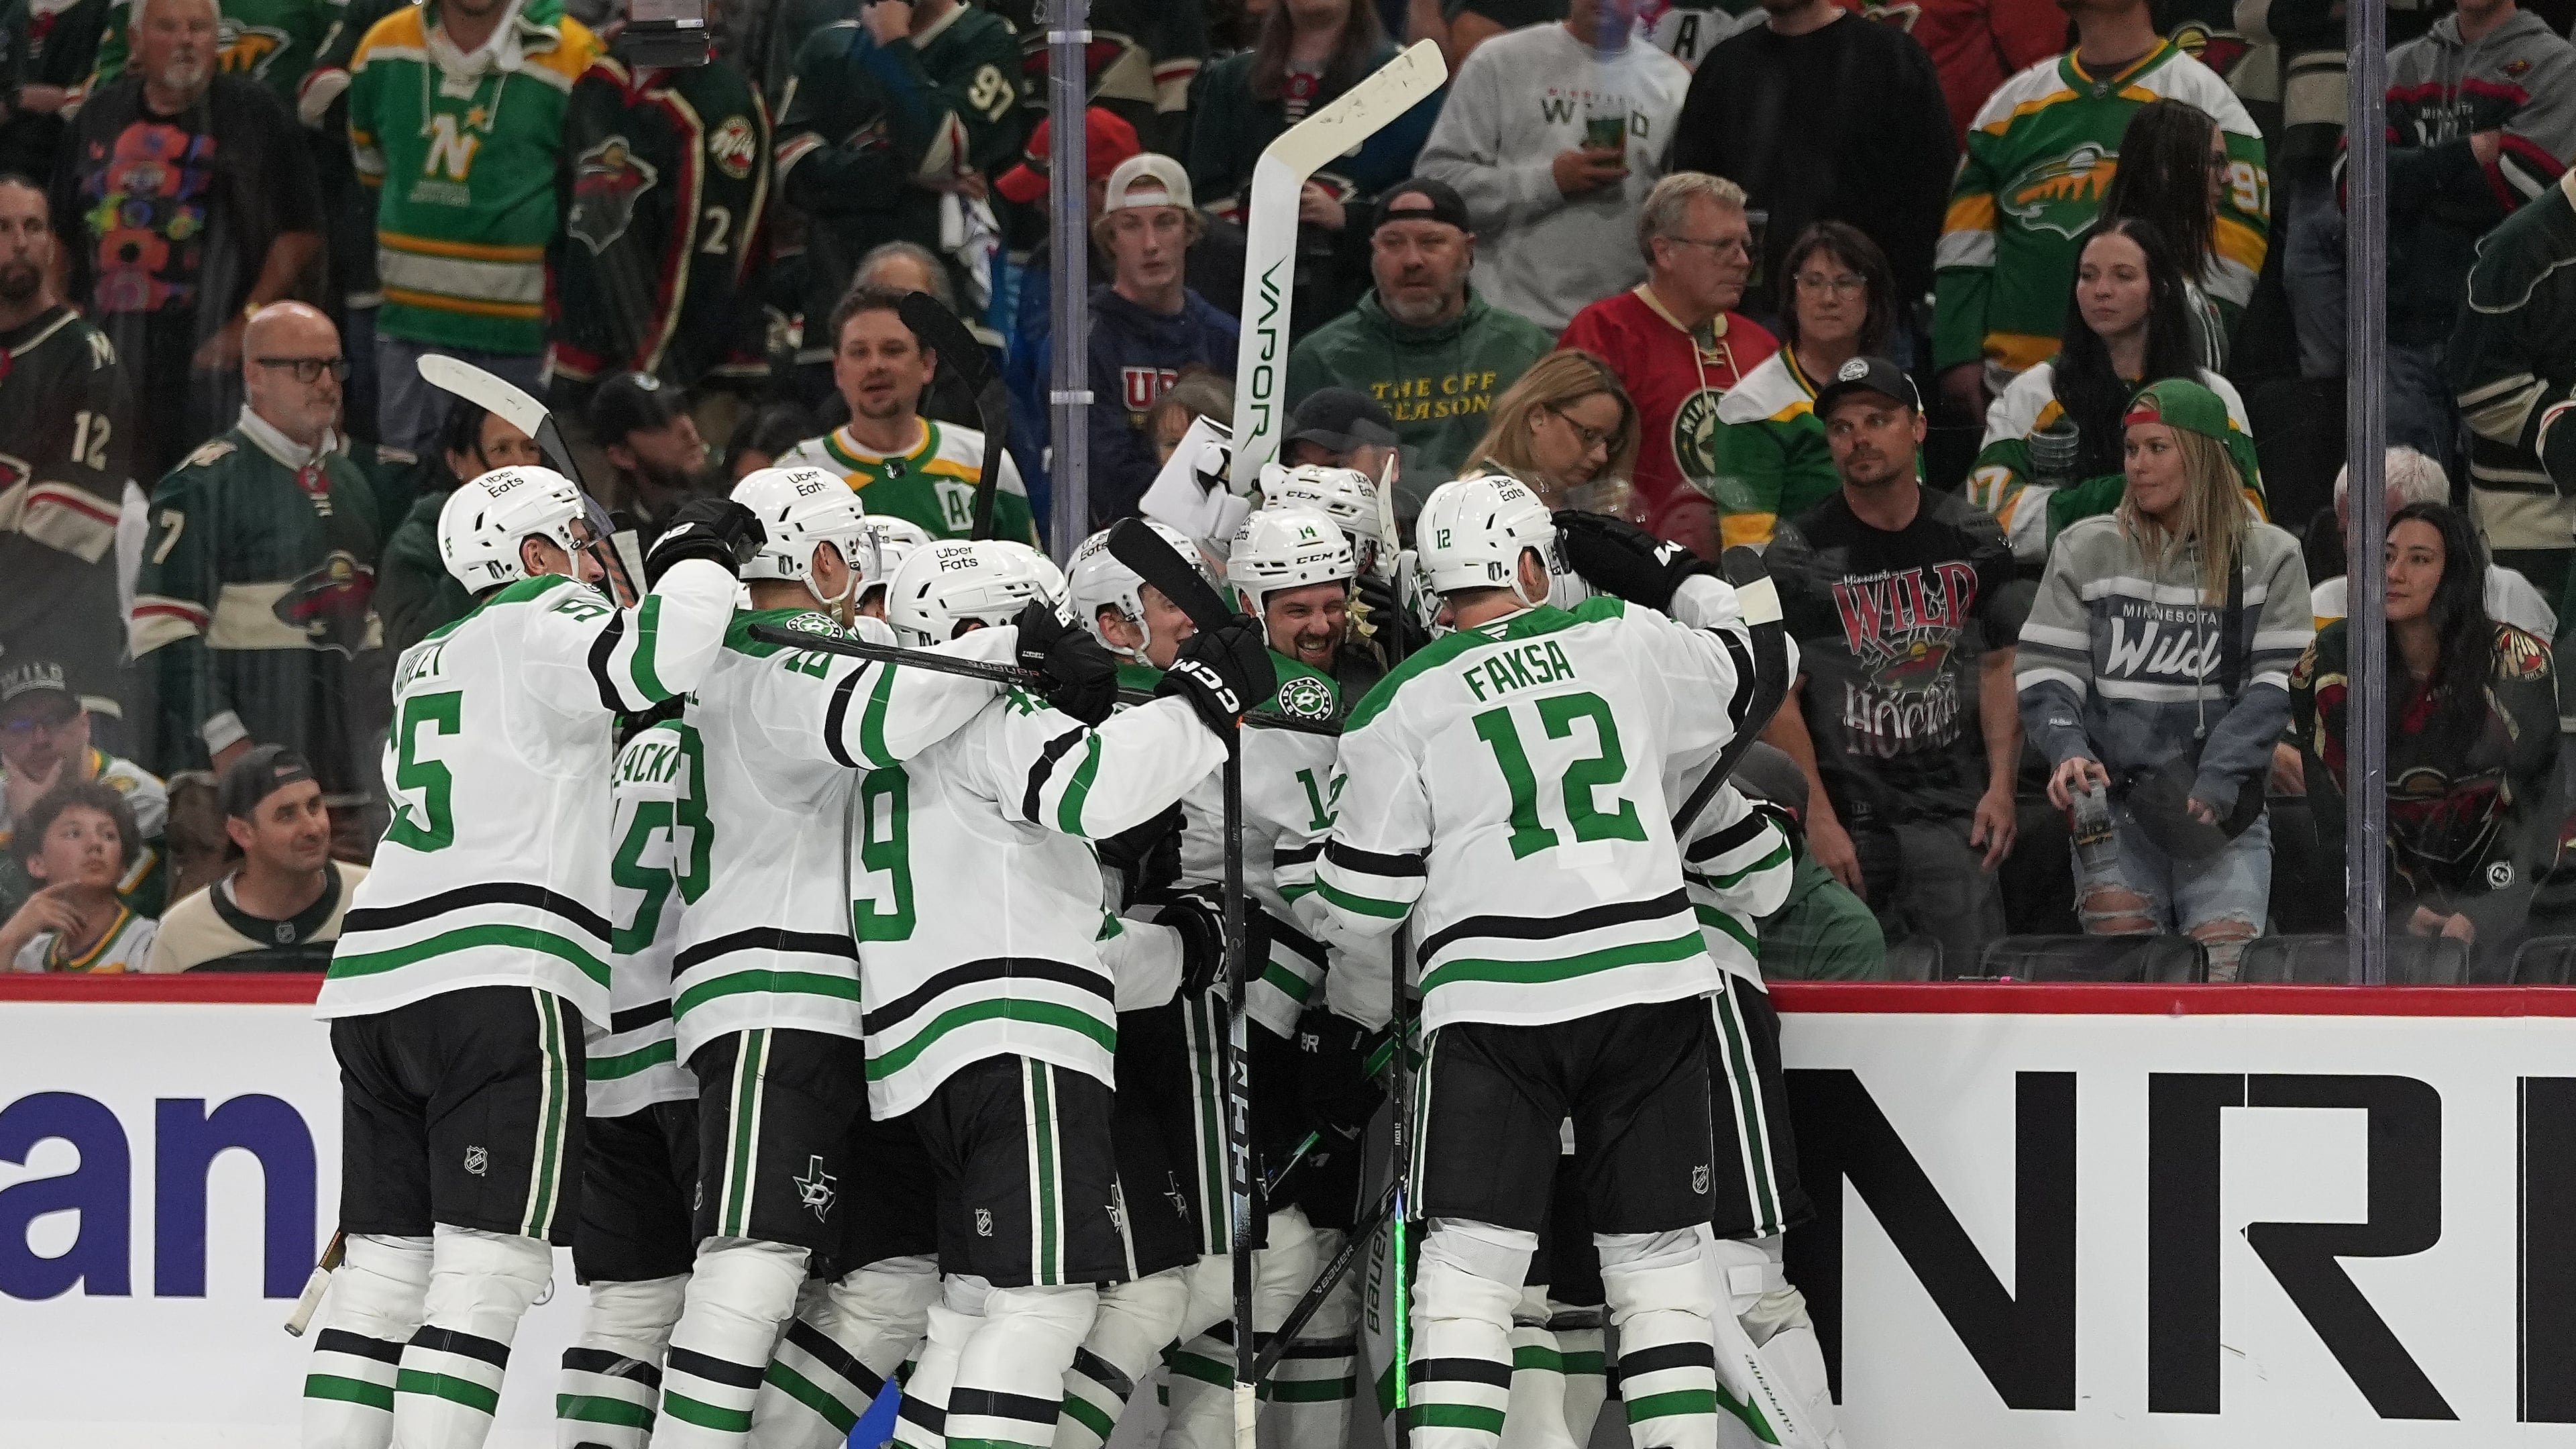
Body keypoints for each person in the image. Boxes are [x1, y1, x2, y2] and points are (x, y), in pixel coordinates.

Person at [1293, 472, 1842, 1449]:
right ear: (1534, 564)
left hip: (1495, 1006)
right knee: (1662, 1267)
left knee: (1473, 1275)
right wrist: (1686, 573)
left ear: (1431, 586)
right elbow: (1773, 653)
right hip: (1652, 985)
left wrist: (1323, 867)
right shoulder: (1627, 645)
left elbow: (1362, 904)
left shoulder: (1395, 703)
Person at [294, 466, 757, 1449]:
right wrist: (698, 556)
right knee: (485, 1272)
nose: (595, 563)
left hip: (378, 985)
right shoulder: (542, 616)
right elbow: (655, 664)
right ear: (537, 556)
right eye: (580, 544)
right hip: (497, 977)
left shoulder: (424, 656)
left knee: (380, 1272)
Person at [788, 540, 1240, 1449]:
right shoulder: (992, 718)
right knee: (1045, 1304)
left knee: (970, 1308)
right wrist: (1206, 698)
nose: (1068, 645)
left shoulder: (888, 757)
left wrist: (1174, 952)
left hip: (924, 1061)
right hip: (1017, 1034)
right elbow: (1099, 788)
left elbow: (1056, 915)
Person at [643, 472, 1049, 1449]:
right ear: (827, 563)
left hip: (852, 1010)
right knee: (753, 1266)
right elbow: (890, 711)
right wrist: (1015, 643)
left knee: (899, 1276)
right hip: (771, 990)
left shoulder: (748, 655)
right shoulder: (776, 667)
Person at [2017, 377, 2312, 981]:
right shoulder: (2086, 548)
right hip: (2113, 808)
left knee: (2222, 984)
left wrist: (2221, 770)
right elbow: (2049, 670)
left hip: (2222, 813)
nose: (2139, 466)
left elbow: (2278, 683)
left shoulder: (2271, 555)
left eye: (2158, 448)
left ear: (2202, 455)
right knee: (2126, 987)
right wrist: (2066, 748)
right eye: (2132, 450)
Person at [1761, 357, 2023, 975]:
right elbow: (1779, 696)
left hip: (1953, 811)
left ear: (1919, 429)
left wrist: (2002, 790)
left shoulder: (1974, 534)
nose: (1859, 439)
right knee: (1859, 998)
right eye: (1843, 428)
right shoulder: (1796, 554)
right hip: (1850, 814)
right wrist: (1818, 821)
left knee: (1973, 993)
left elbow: (2000, 665)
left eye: (1878, 420)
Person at [1931, 0, 2265, 421]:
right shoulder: (2010, 104)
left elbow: (2233, 248)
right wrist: (1957, 349)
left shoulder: (2208, 101)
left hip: (2150, 391)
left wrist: (2188, 354)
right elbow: (1965, 244)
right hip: (2014, 391)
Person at [52, 0, 322, 482]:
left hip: (212, 367)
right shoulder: (98, 115)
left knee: (208, 496)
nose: (186, 41)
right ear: (135, 43)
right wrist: (59, 313)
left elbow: (300, 234)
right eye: (169, 27)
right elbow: (59, 228)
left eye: (199, 28)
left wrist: (249, 323)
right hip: (112, 361)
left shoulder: (258, 114)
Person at [131, 303, 383, 804]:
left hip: (343, 783)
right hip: (232, 791)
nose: (327, 384)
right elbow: (162, 633)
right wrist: (228, 744)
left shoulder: (352, 480)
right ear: (254, 375)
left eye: (334, 366)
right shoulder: (201, 484)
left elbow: (367, 630)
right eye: (306, 367)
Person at [2291, 502, 2559, 971]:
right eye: (2388, 556)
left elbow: (2537, 811)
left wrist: (2480, 912)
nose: (2395, 572)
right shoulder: (2331, 663)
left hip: (2500, 887)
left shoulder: (2518, 665)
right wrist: (2397, 907)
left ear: (2454, 573)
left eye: (2419, 559)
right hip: (2382, 897)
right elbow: (2336, 812)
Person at [346, 0, 597, 452]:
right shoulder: (381, 48)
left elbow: (590, 204)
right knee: (410, 497)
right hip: (410, 334)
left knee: (525, 506)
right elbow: (371, 165)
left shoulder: (577, 54)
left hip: (523, 341)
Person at [551, 697, 698, 1449]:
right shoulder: (721, 744)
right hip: (695, 1057)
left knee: (630, 1302)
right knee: (746, 1297)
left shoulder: (603, 768)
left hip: (603, 1060)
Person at [2385, 0, 2576, 569]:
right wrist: (2473, 151)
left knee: (2480, 547)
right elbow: (2356, 187)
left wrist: (2415, 176)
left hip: (2504, 326)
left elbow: (2532, 186)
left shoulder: (2555, 64)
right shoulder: (2399, 65)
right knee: (2402, 532)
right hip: (2406, 326)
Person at [1968, 218, 2257, 564]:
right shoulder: (2034, 392)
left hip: (2188, 585)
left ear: (2160, 290)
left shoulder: (2213, 396)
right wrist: (2121, 496)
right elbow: (1987, 514)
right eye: (2088, 276)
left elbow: (2250, 517)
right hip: (2060, 584)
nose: (2101, 290)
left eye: (2123, 276)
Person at [771, 0, 1022, 388]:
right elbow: (791, 173)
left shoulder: (986, 38)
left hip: (955, 326)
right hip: (835, 309)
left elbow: (937, 153)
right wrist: (901, 177)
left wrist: (892, 45)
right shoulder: (829, 45)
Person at [1285, 178, 1555, 523]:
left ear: (1468, 250)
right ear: (1372, 254)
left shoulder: (1526, 349)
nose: (1412, 260)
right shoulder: (1320, 357)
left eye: (1432, 242)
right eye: (1393, 244)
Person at [1668, 0, 1951, 325]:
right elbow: (1691, 198)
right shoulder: (1724, 67)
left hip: (1865, 317)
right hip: (1745, 316)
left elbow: (1932, 193)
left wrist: (1891, 294)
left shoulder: (1892, 58)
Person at [1414, 0, 1689, 334]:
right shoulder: (1500, 60)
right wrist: (1550, 181)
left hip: (1621, 327)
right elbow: (1437, 185)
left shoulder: (1674, 84)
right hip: (1506, 323)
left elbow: (1681, 216)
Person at [548, 23, 773, 415]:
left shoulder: (723, 105)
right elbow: (561, 227)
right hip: (584, 372)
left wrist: (645, 390)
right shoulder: (596, 85)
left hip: (692, 390)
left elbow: (703, 272)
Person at [1559, 170, 1780, 558]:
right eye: (1722, 246)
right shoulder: (1603, 333)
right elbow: (1567, 466)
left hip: (1753, 567)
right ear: (1664, 252)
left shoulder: (1760, 345)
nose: (1743, 261)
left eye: (1745, 246)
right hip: (1638, 569)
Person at [1191, 0, 1442, 338]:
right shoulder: (1231, 79)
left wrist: (1348, 218)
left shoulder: (1402, 76)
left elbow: (1426, 191)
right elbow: (1208, 190)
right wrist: (1246, 246)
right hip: (1248, 295)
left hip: (1360, 292)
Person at [0, 176, 134, 727]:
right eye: (3, 228)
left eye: (33, 227)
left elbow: (63, 536)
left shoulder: (85, 360)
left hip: (68, 667)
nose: (20, 241)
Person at [772, 282, 1040, 544]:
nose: (875, 365)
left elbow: (1030, 577)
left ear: (927, 364)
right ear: (838, 371)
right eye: (858, 353)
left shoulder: (984, 461)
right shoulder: (795, 476)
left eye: (893, 350)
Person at [1707, 221, 1900, 547]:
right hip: (1799, 588)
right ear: (1792, 298)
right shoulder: (1751, 407)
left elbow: (1912, 507)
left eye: (1846, 283)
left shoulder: (1898, 390)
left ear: (1872, 298)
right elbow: (1748, 553)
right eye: (1812, 283)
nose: (1828, 299)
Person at [1081, 153, 1240, 527]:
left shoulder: (1226, 337)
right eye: (1132, 226)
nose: (1151, 244)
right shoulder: (1083, 341)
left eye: (1165, 222)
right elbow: (1101, 472)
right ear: (1110, 238)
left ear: (1189, 232)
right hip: (1118, 542)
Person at [2452, 167, 2576, 603]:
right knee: (2531, 667)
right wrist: (2564, 429)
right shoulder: (2519, 249)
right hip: (2530, 530)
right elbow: (2479, 386)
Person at [142, 743, 363, 971]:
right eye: (287, 815)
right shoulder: (180, 935)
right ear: (242, 833)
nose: (312, 828)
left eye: (314, 806)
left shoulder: (376, 896)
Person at [2308, 449, 2557, 639]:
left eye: (2378, 540)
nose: (2356, 554)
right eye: (2346, 535)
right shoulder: (2323, 605)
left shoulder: (2504, 597)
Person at [0, 657, 166, 921]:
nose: (40, 739)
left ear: (84, 724)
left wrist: (30, 822)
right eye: (21, 726)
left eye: (55, 720)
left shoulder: (139, 799)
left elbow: (93, 920)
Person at [377, 400, 545, 659]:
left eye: (530, 448)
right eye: (501, 450)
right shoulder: (418, 543)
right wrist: (485, 555)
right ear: (456, 461)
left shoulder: (567, 531)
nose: (520, 465)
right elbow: (412, 650)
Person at [2096, 99, 2233, 370]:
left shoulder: (2171, 270)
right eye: (2214, 162)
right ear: (2166, 169)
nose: (2227, 177)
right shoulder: (2125, 272)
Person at [1460, 347, 1642, 516]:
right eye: (1589, 435)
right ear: (1538, 418)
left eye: (1609, 442)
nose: (1602, 457)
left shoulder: (1587, 511)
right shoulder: (1474, 503)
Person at [0, 777, 154, 971]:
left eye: (108, 835)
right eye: (74, 833)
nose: (95, 844)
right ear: (37, 863)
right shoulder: (25, 955)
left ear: (123, 865)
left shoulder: (149, 944)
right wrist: (10, 937)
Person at [588, 370, 716, 541]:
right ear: (622, 455)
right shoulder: (618, 548)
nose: (688, 429)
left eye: (681, 410)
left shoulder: (740, 499)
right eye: (658, 423)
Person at [1281, 386, 1403, 480]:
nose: (1317, 481)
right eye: (1303, 468)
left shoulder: (1416, 510)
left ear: (1389, 465)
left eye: (1338, 466)